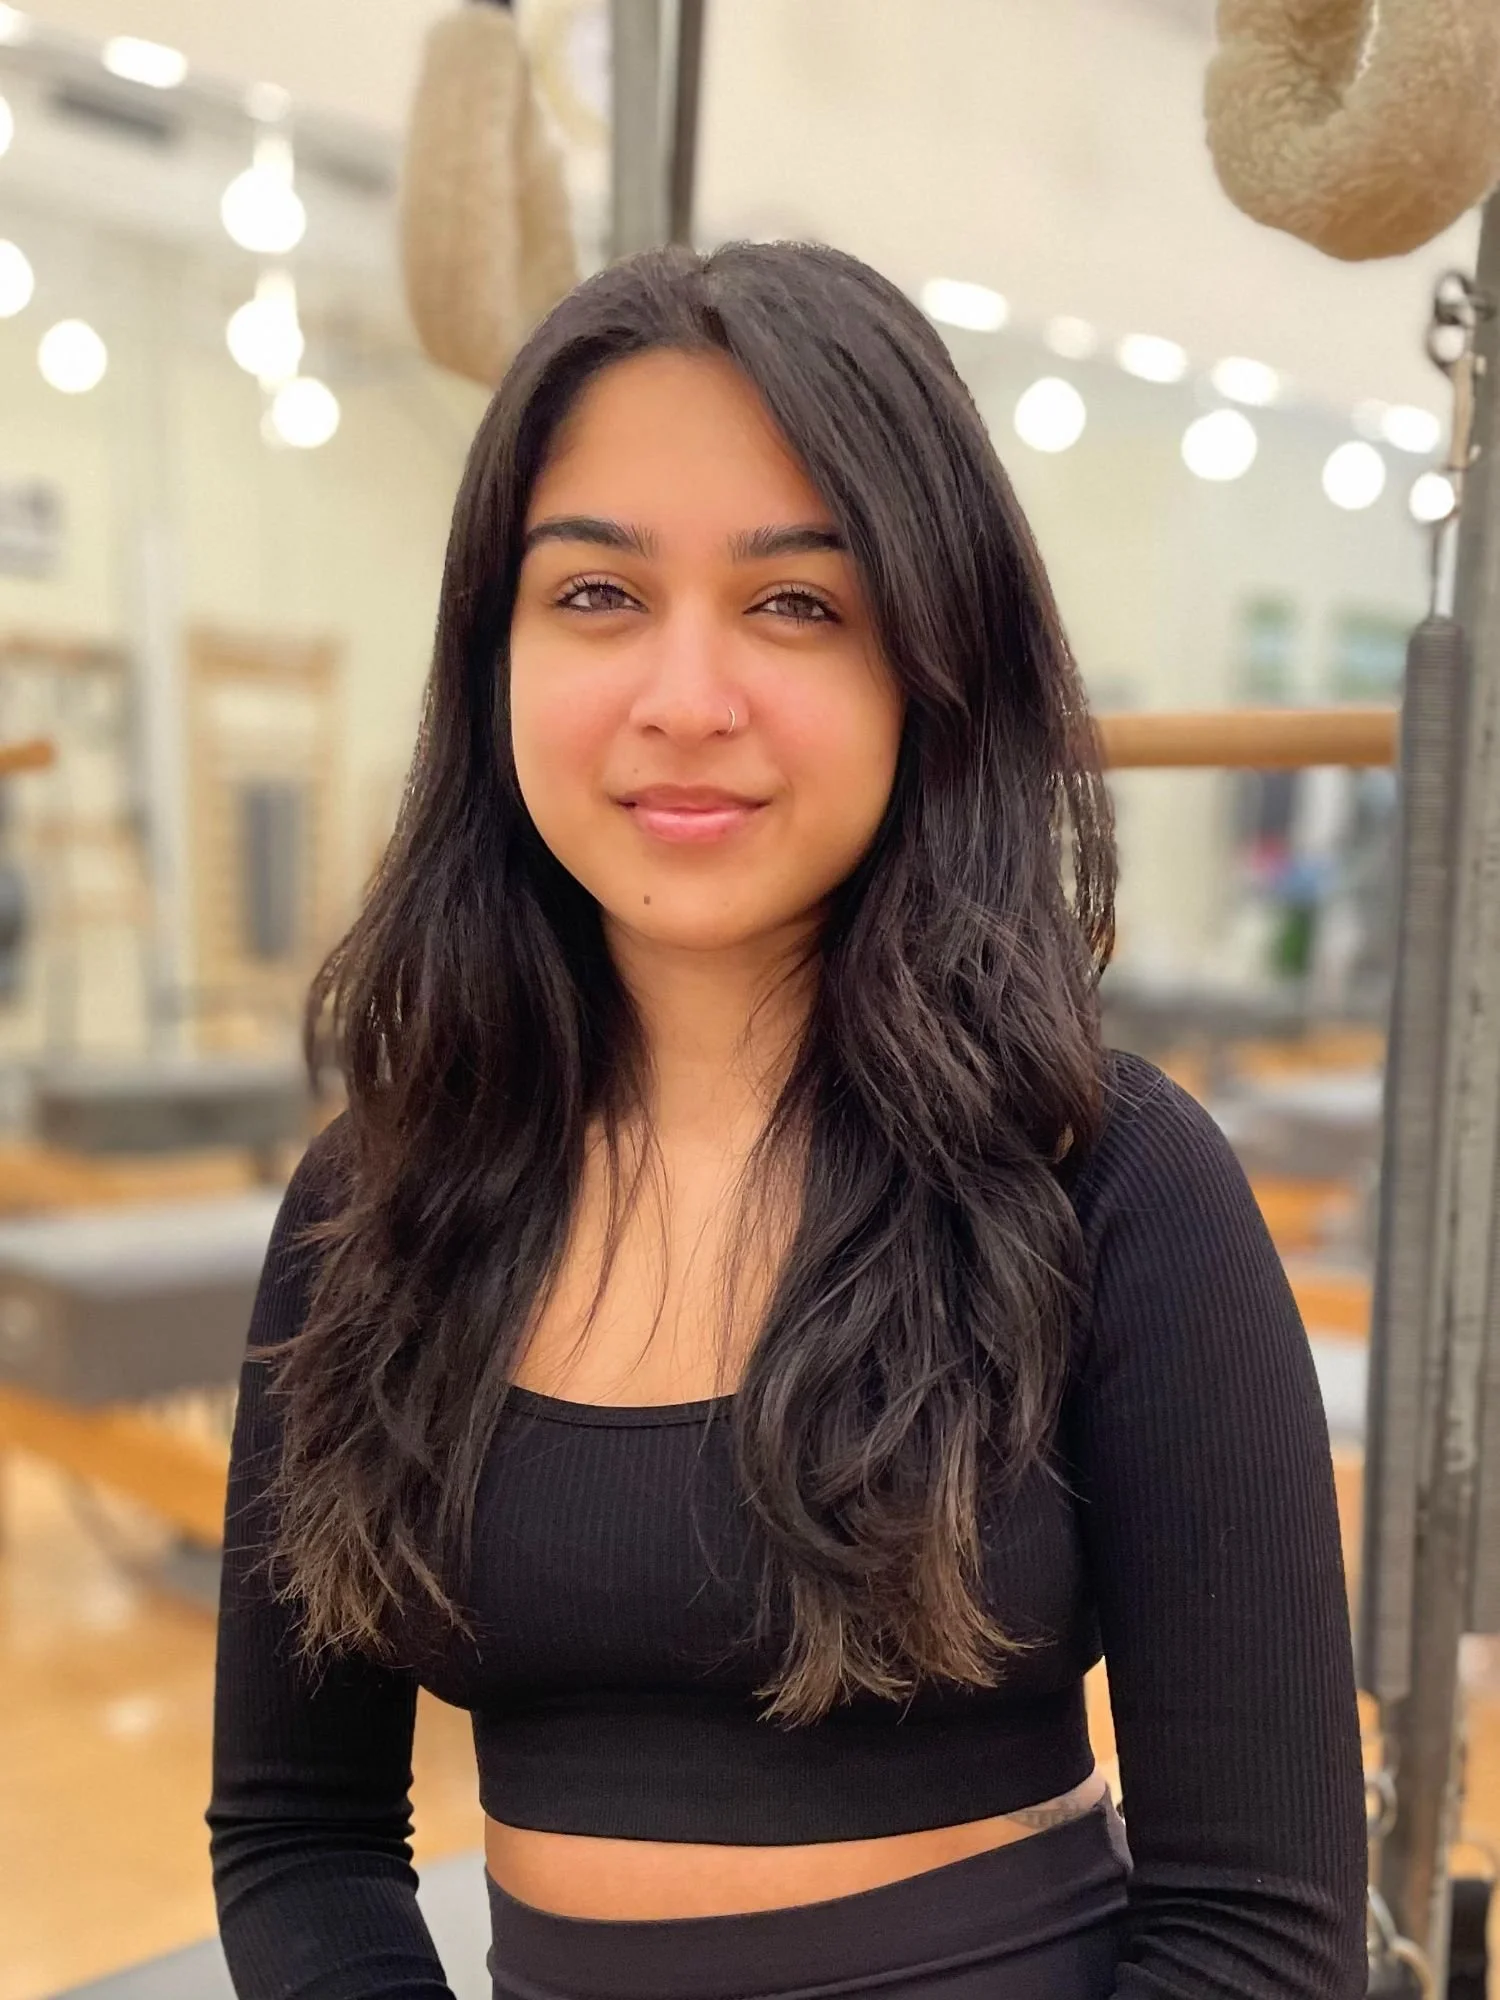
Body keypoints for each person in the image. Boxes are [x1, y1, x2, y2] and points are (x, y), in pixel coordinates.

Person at [207, 240, 1367, 2000]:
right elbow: (298, 1830)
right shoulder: (379, 1201)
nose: (686, 696)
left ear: (932, 665)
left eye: (796, 604)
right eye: (595, 595)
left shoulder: (1118, 1184)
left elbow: (1260, 1936)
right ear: (492, 652)